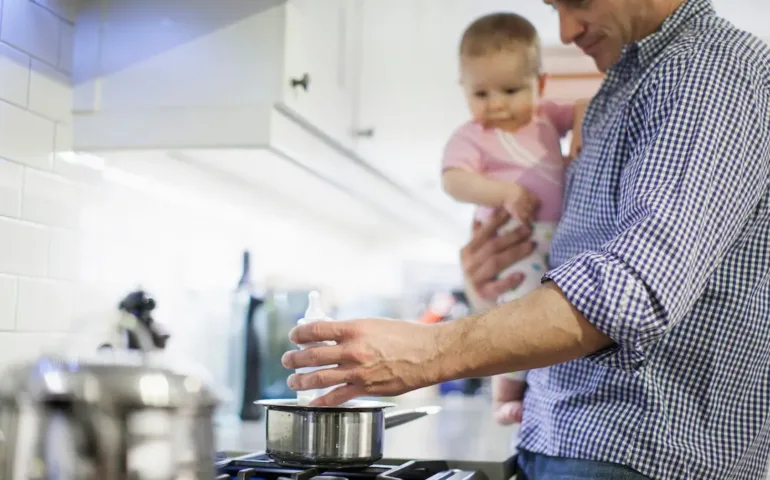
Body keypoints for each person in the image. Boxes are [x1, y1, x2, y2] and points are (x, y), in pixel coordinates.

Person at [282, 0, 770, 478]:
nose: (566, 32)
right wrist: (487, 292)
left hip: (636, 452)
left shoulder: (711, 70)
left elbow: (631, 290)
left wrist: (429, 350)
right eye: (554, 8)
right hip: (563, 437)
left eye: (577, 1)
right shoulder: (621, 89)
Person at [441, 12, 587, 426]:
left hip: (557, 239)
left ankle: (525, 385)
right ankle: (505, 390)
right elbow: (454, 181)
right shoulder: (473, 135)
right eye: (481, 93)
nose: (497, 104)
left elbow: (584, 107)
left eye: (510, 90)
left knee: (553, 312)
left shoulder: (545, 117)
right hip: (514, 236)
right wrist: (504, 193)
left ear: (540, 84)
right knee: (520, 313)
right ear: (464, 90)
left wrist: (579, 131)